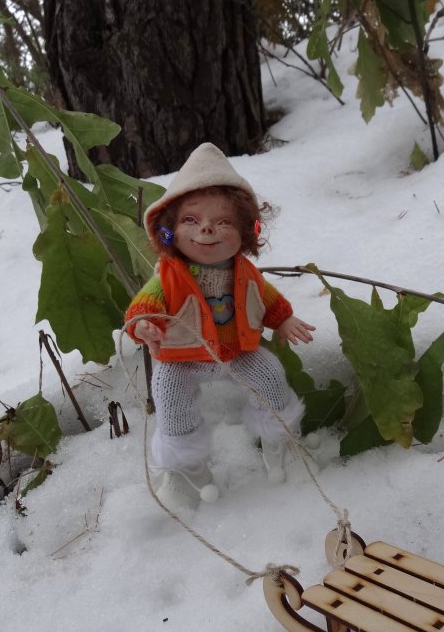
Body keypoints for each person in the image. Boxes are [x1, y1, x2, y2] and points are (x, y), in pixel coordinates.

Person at [125, 142, 315, 503]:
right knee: (169, 400)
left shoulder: (243, 271)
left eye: (223, 222)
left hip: (237, 351)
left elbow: (267, 298)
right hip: (181, 359)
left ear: (247, 232)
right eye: (191, 221)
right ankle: (185, 470)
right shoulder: (167, 275)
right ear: (167, 232)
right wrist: (144, 325)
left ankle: (280, 445)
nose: (207, 230)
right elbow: (143, 306)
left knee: (271, 376)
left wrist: (284, 318)